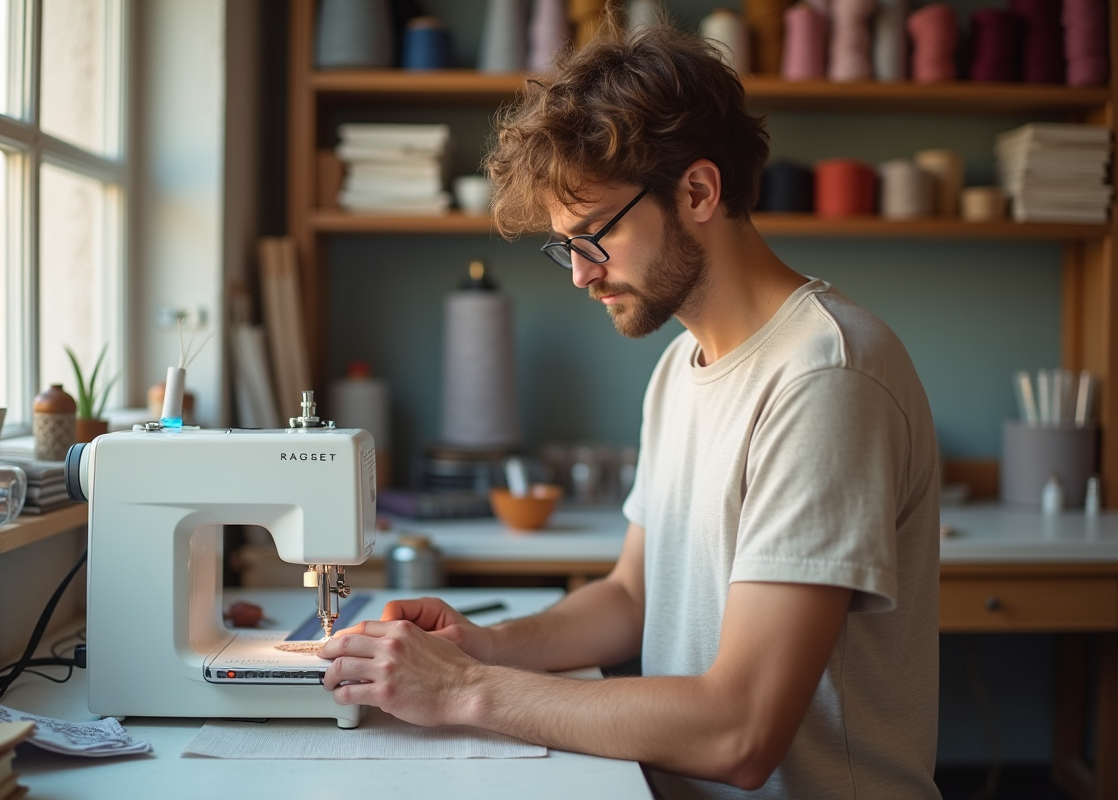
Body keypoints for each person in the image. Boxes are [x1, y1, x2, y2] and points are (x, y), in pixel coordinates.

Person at [319, 18, 941, 799]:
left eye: (594, 237)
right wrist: (484, 645)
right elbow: (629, 596)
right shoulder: (682, 364)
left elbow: (740, 731)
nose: (580, 276)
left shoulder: (825, 378)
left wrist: (459, 690)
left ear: (699, 190)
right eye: (564, 247)